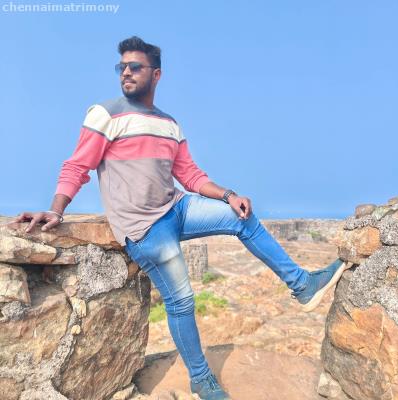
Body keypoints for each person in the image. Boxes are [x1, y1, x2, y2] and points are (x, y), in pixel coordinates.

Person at [15, 36, 351, 400]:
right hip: (144, 228)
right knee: (182, 299)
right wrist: (57, 209)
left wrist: (229, 195)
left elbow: (190, 174)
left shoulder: (169, 124)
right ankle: (201, 379)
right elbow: (77, 166)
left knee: (241, 217)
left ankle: (302, 285)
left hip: (177, 207)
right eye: (121, 67)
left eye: (135, 67)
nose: (126, 72)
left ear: (156, 74)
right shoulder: (105, 114)